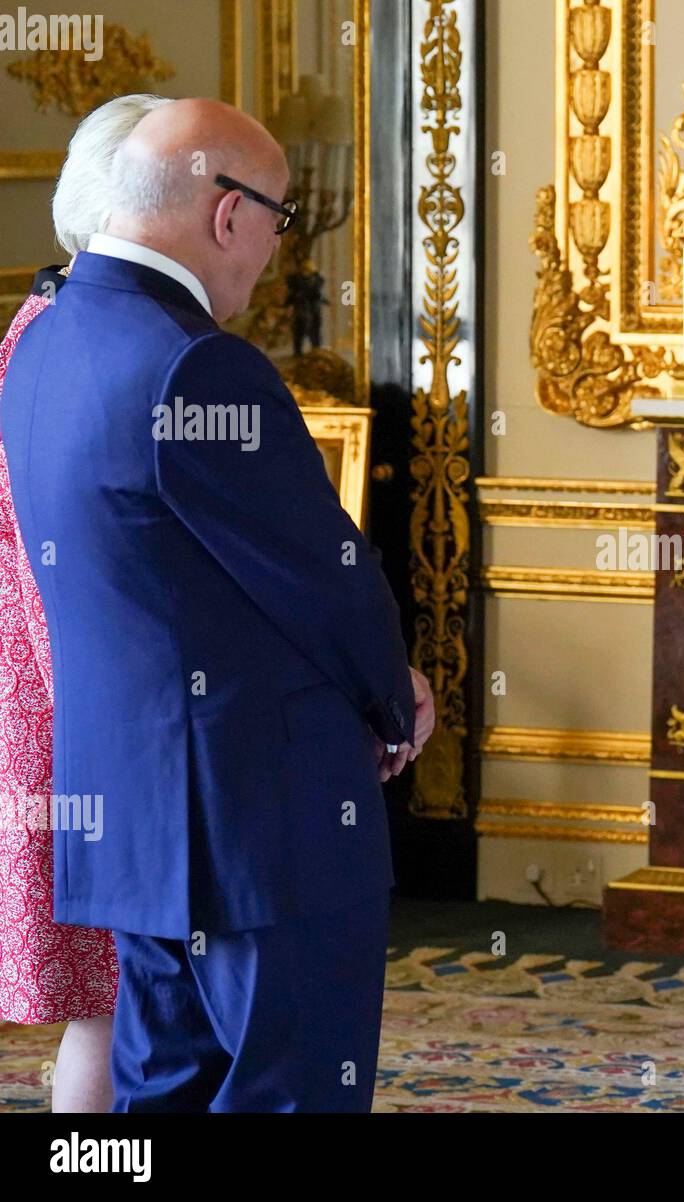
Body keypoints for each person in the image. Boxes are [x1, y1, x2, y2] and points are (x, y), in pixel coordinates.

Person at [1, 97, 435, 1112]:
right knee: (288, 1089)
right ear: (228, 213)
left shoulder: (39, 344)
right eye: (279, 223)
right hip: (256, 818)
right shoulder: (200, 362)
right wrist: (394, 692)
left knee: (158, 1092)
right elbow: (321, 567)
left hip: (129, 814)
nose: (274, 254)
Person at [0, 93, 172, 1113]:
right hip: (79, 712)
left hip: (62, 704)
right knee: (116, 1008)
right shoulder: (78, 340)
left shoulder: (41, 325)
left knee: (111, 1009)